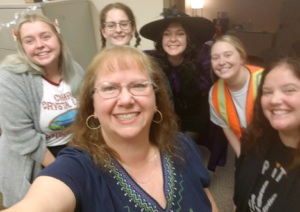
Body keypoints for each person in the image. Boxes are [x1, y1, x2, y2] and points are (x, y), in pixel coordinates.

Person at [3, 46, 219, 212]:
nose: (126, 99)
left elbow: (206, 198)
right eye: (109, 88)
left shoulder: (183, 144)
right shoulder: (78, 167)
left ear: (156, 100)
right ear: (92, 106)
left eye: (138, 85)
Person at [0, 14, 83, 207]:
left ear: (57, 37)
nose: (39, 44)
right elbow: (21, 136)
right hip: (34, 158)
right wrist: (62, 170)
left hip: (71, 149)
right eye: (29, 40)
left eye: (46, 36)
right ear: (22, 46)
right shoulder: (9, 78)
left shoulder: (75, 70)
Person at [234, 57, 300, 211]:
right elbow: (239, 197)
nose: (275, 100)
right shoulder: (253, 139)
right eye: (267, 92)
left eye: (289, 90)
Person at [209, 35, 264, 157]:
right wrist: (241, 157)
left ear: (242, 57)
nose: (222, 62)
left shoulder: (265, 80)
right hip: (247, 146)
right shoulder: (214, 94)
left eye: (228, 55)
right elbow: (226, 127)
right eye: (215, 58)